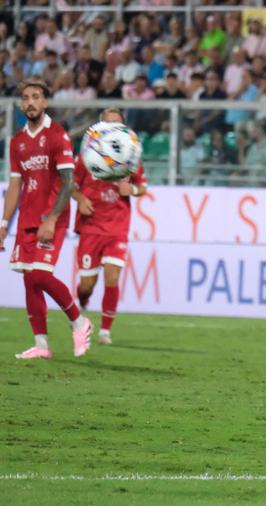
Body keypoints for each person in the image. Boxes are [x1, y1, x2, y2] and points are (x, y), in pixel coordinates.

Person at [1, 78, 92, 358]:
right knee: (30, 280)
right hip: (27, 218)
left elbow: (68, 182)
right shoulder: (17, 142)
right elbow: (15, 185)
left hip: (52, 217)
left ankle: (79, 321)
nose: (30, 102)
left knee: (40, 274)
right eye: (26, 97)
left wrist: (51, 219)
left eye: (36, 97)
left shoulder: (57, 136)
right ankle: (41, 345)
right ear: (21, 104)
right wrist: (4, 224)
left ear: (45, 102)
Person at [72, 108, 148, 345]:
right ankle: (83, 301)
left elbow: (142, 187)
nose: (113, 127)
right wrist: (80, 199)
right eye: (108, 122)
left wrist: (131, 189)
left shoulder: (130, 156)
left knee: (112, 277)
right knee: (87, 285)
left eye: (117, 123)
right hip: (91, 226)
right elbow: (69, 185)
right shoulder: (86, 156)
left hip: (117, 226)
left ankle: (105, 331)